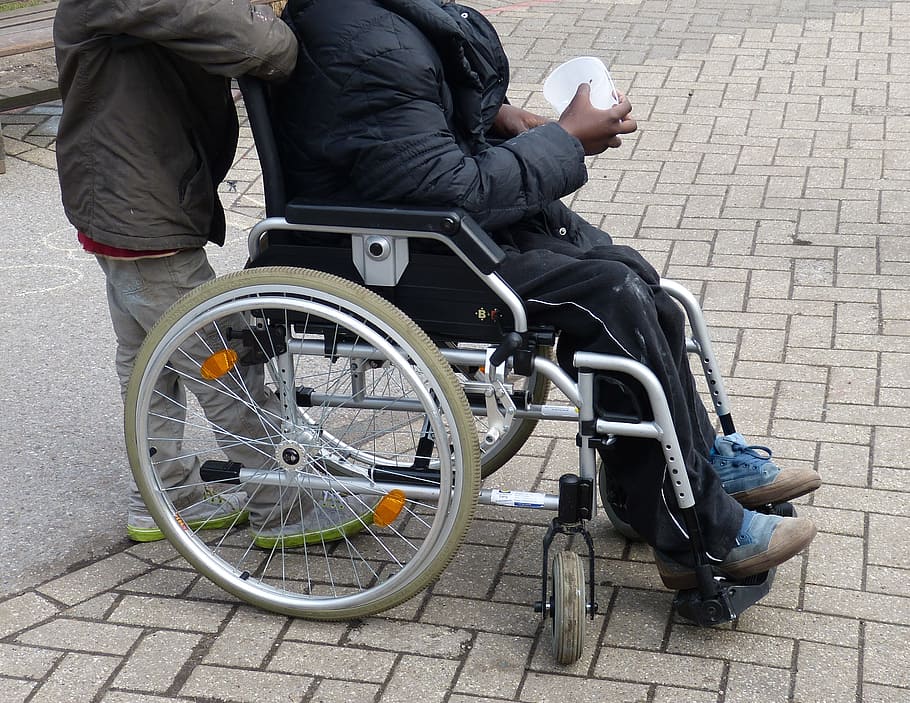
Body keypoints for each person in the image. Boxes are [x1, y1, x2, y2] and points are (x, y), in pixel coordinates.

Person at [272, 0, 822, 587]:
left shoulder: (378, 20)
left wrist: (500, 118)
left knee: (634, 281)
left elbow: (416, 134)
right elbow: (442, 184)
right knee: (606, 294)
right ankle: (700, 535)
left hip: (434, 233)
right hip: (401, 254)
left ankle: (680, 477)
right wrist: (566, 140)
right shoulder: (360, 38)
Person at [54, 0, 372, 547]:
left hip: (123, 200)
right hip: (136, 205)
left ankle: (163, 498)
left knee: (150, 359)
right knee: (221, 360)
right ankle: (285, 503)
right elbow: (261, 45)